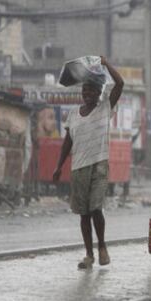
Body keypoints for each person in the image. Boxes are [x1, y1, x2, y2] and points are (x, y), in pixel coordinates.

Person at [53, 56, 124, 269]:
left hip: (99, 165)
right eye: (84, 91)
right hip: (78, 168)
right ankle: (89, 254)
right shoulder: (74, 115)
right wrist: (58, 166)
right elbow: (68, 143)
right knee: (83, 213)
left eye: (91, 91)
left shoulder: (105, 108)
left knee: (96, 209)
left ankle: (102, 247)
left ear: (99, 92)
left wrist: (106, 62)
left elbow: (120, 83)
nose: (87, 94)